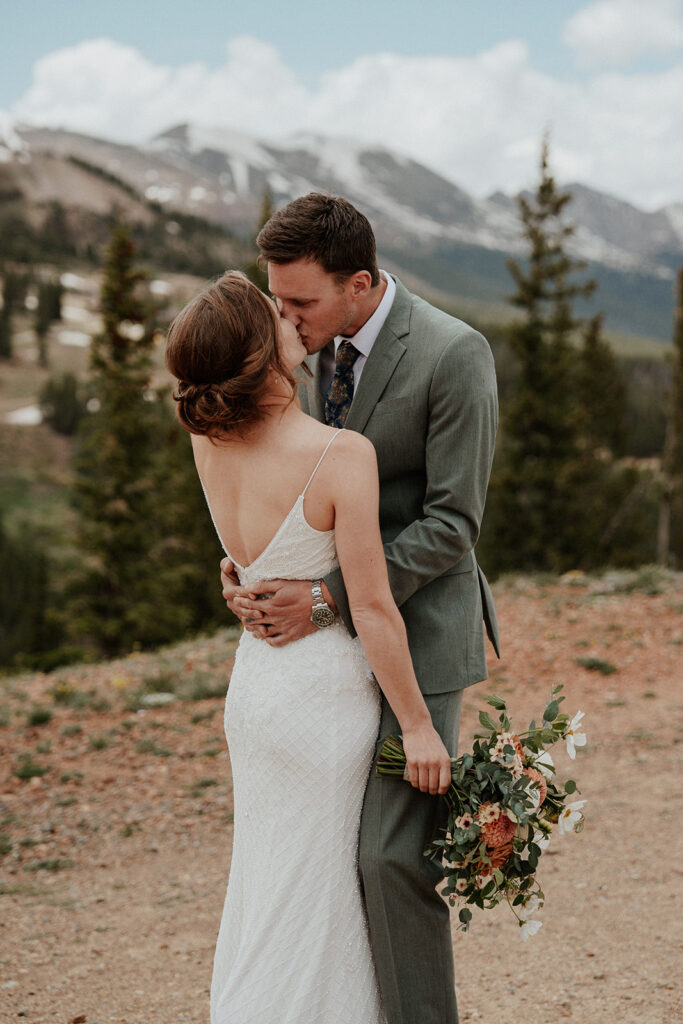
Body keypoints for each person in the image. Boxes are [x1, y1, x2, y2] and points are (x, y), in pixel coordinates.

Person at [221, 193, 500, 1024]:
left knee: (386, 858)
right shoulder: (300, 355)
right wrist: (245, 565)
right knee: (324, 854)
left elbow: (454, 522)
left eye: (300, 302)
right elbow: (289, 482)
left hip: (419, 638)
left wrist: (325, 596)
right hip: (328, 664)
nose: (286, 318)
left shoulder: (454, 354)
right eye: (277, 299)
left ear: (360, 282)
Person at [165, 269, 454, 1024]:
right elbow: (374, 609)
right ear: (263, 355)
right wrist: (419, 727)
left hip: (256, 691)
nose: (293, 321)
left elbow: (245, 557)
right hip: (323, 702)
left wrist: (234, 578)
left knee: (265, 889)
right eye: (277, 316)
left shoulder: (207, 442)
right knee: (322, 901)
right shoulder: (338, 455)